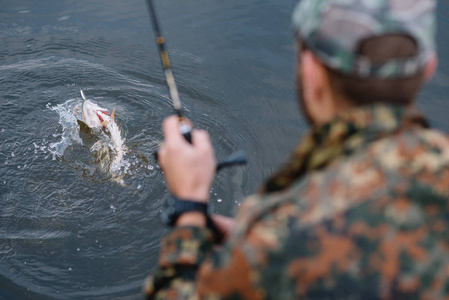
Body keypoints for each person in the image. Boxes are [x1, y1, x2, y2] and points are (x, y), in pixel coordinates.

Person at [144, 0, 449, 298]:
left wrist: (190, 207)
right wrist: (251, 236)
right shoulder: (281, 238)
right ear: (429, 67)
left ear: (311, 72)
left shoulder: (282, 242)